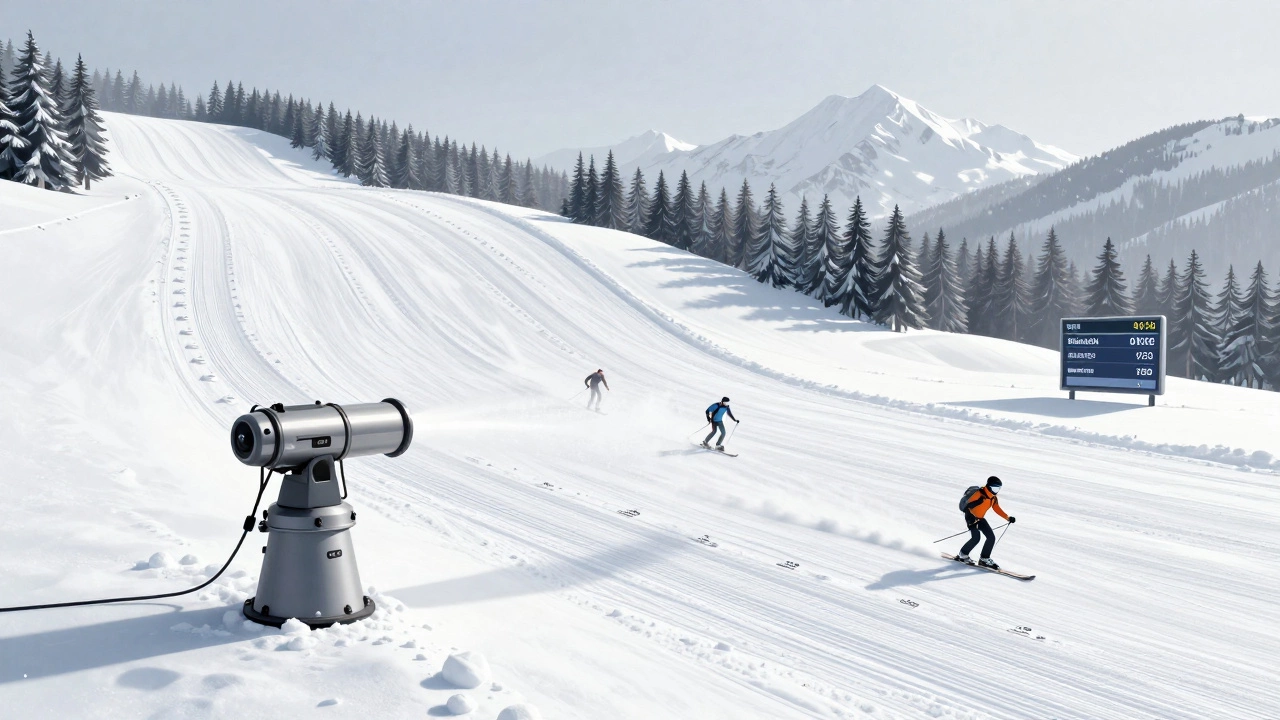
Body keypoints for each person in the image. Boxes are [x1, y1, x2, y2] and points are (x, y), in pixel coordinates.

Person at [955, 476, 1016, 569]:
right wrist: (971, 518)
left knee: (991, 537)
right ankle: (963, 555)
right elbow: (968, 506)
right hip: (971, 517)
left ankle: (984, 559)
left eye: (998, 488)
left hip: (980, 518)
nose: (996, 491)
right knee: (976, 538)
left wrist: (1008, 518)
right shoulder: (978, 493)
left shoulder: (993, 498)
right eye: (994, 488)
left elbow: (997, 509)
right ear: (989, 486)